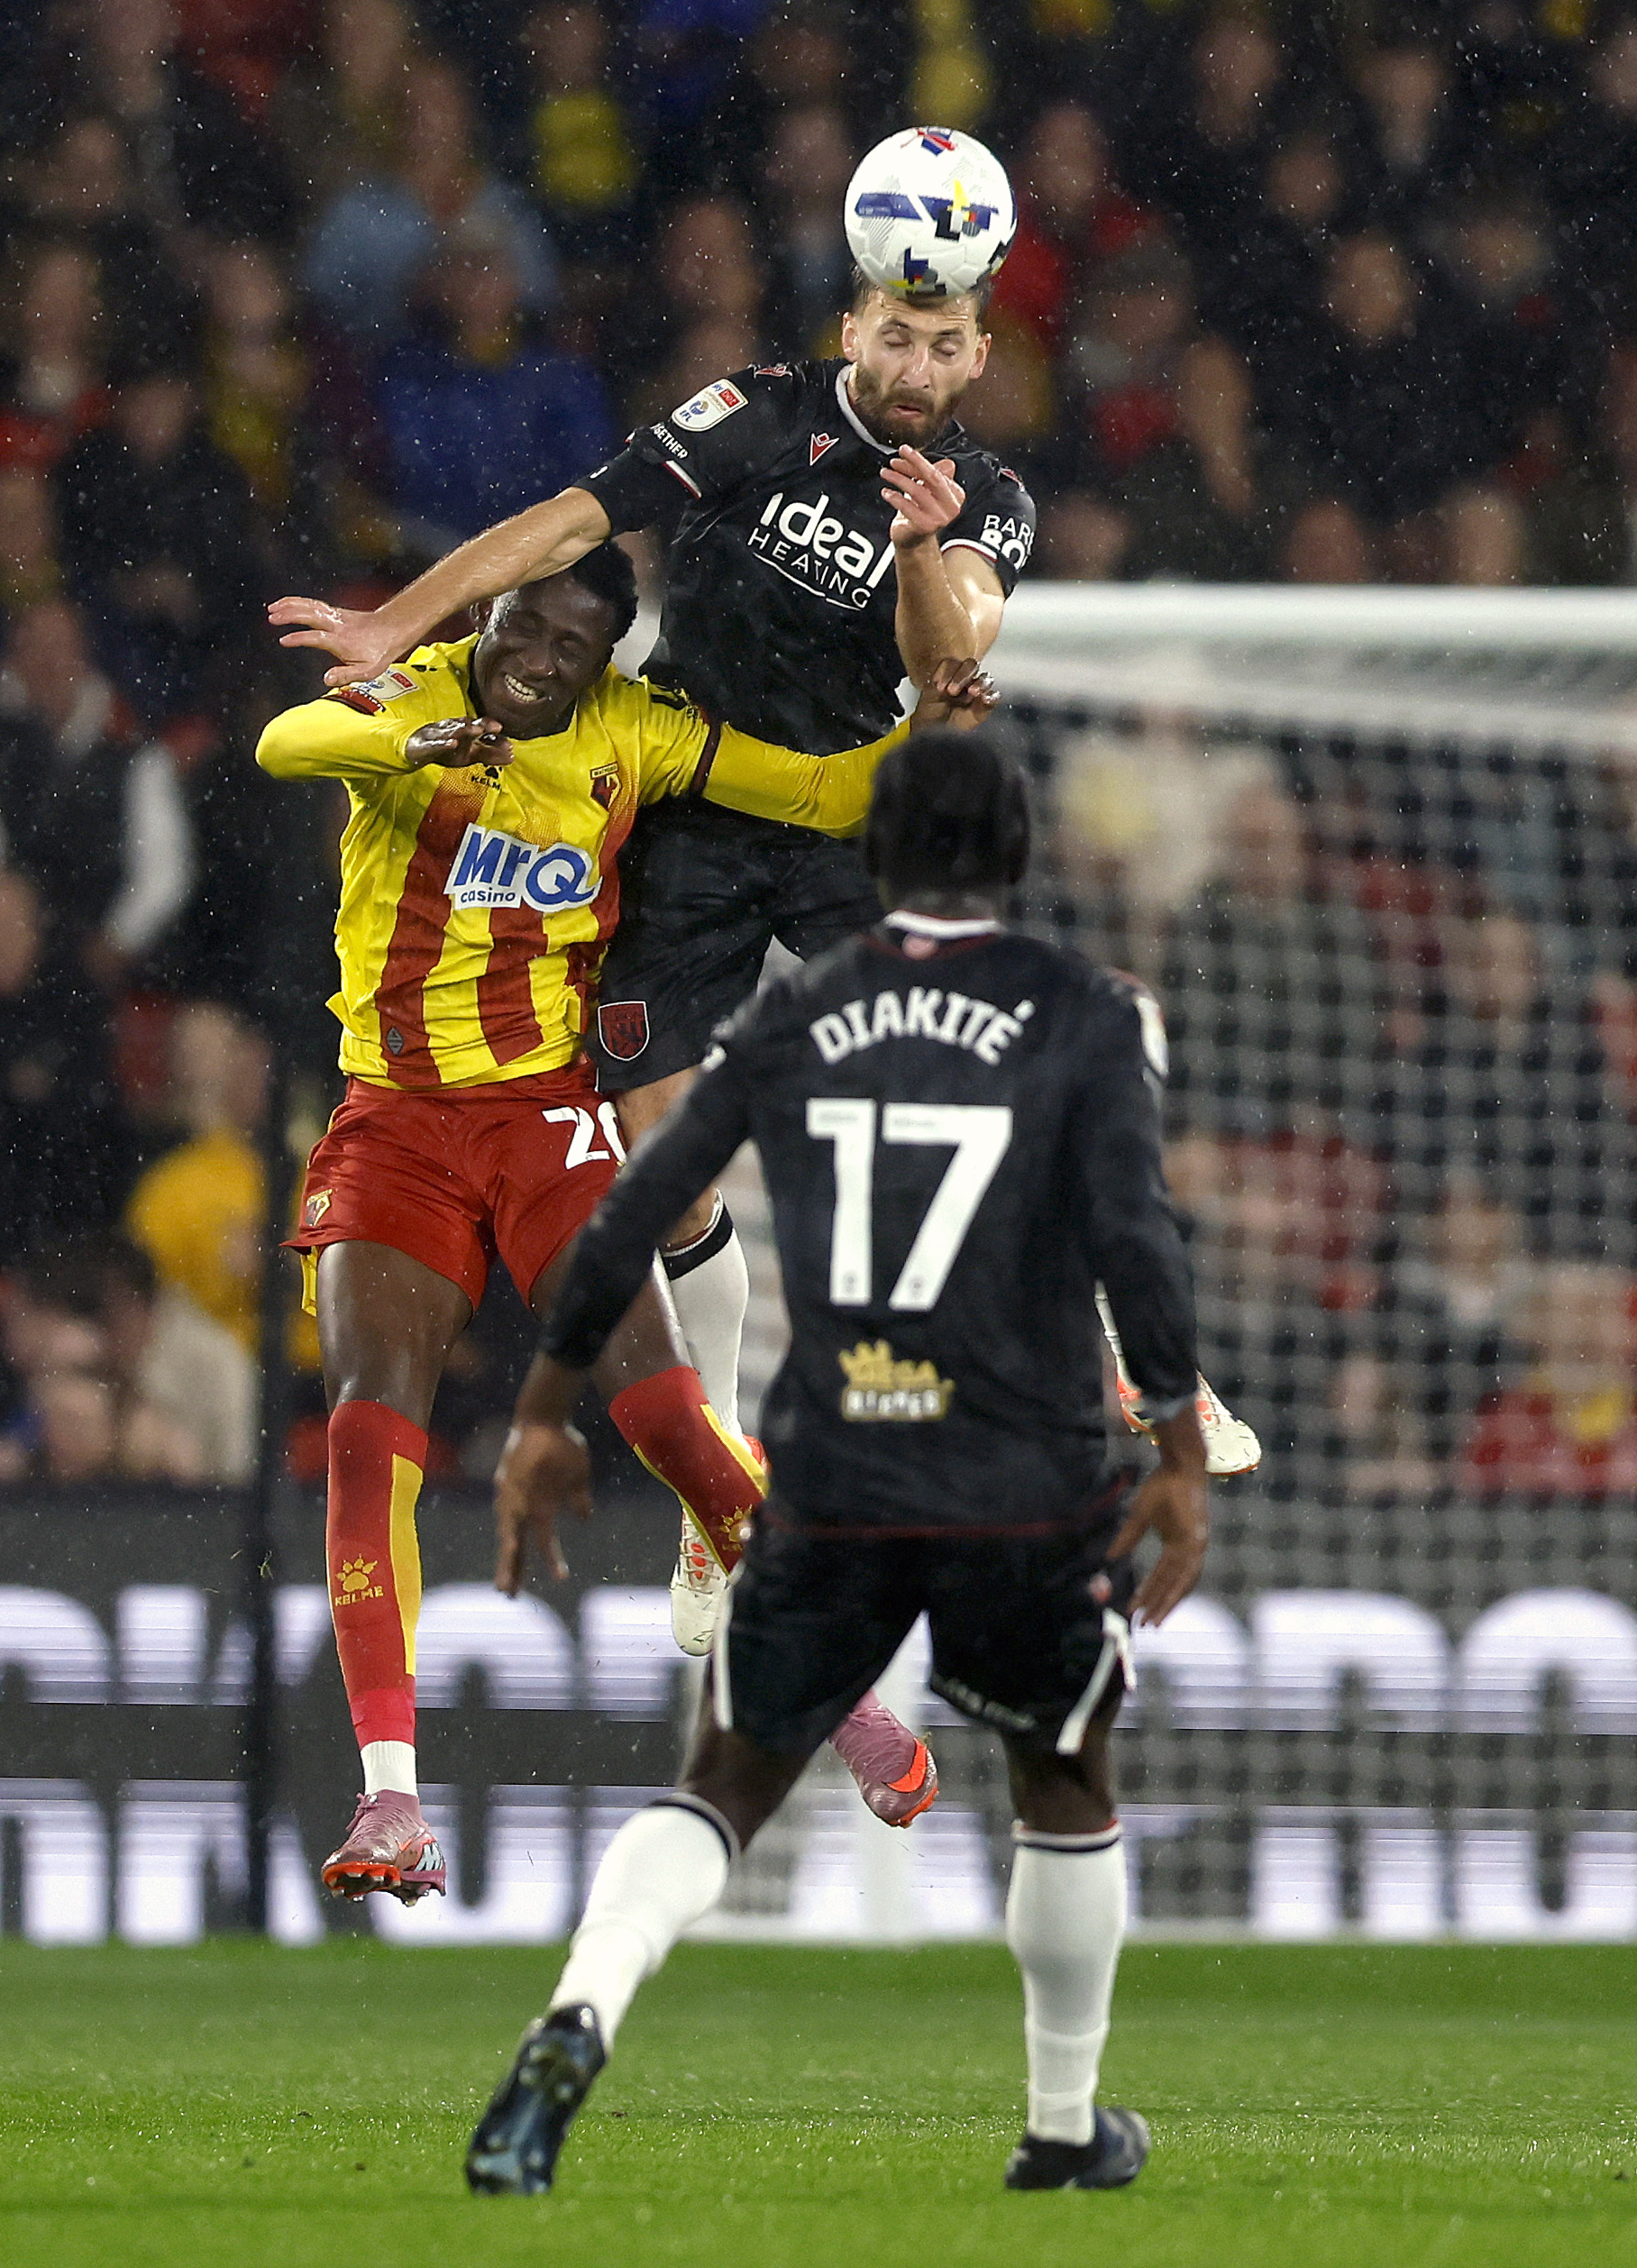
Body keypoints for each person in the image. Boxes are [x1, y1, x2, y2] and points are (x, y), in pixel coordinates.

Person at [272, 263, 1257, 1655]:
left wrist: (920, 546)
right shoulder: (755, 415)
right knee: (656, 1142)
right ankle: (713, 1483)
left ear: (977, 359)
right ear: (852, 330)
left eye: (946, 344)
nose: (917, 365)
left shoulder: (988, 496)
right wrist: (399, 621)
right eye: (896, 335)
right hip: (683, 802)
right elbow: (569, 519)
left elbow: (951, 663)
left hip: (841, 807)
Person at [466, 727, 1209, 2197]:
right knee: (1061, 1777)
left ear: (870, 861)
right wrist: (1178, 1446)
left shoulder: (799, 1009)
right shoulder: (1085, 1014)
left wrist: (545, 1411)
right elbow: (1135, 1235)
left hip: (837, 1470)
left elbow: (634, 1213)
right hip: (1025, 1479)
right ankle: (1061, 2126)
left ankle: (576, 2017)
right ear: (1015, 858)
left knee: (722, 1784)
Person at [254, 544, 956, 1904]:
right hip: (392, 1123)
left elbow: (823, 789)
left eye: (568, 648)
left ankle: (848, 1693)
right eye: (520, 630)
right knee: (364, 1432)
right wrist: (404, 745)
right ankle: (391, 1799)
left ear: (602, 662)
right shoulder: (416, 692)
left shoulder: (636, 734)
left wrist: (934, 713)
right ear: (489, 618)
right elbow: (288, 742)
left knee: (668, 1422)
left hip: (545, 1120)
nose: (534, 662)